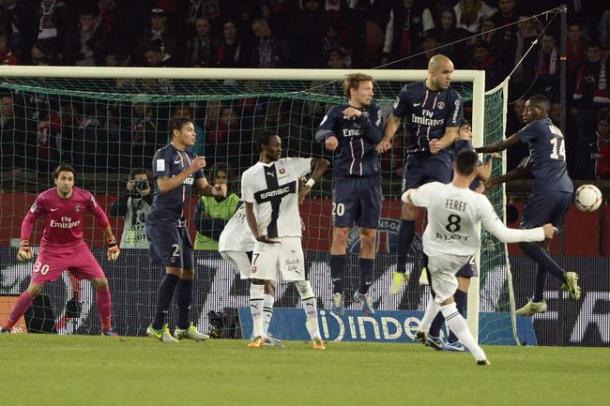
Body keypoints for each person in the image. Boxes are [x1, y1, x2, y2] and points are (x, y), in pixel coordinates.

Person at [404, 149, 557, 365]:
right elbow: (504, 235)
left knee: (446, 300)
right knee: (444, 294)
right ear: (475, 172)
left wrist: (410, 194)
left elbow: (408, 197)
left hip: (435, 255)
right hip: (462, 256)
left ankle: (468, 349)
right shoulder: (479, 201)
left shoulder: (435, 190)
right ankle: (432, 333)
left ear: (453, 166)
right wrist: (541, 232)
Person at [476, 95, 580, 315]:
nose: (524, 113)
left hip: (546, 191)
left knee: (524, 241)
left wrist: (471, 150)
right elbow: (524, 170)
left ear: (543, 111)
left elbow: (502, 145)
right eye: (523, 109)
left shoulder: (537, 126)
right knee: (542, 244)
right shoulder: (554, 131)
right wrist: (495, 181)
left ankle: (563, 275)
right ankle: (538, 299)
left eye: (530, 109)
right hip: (565, 190)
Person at [377, 54, 464, 295]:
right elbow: (395, 118)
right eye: (445, 72)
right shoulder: (410, 92)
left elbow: (452, 132)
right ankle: (400, 270)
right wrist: (387, 138)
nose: (449, 77)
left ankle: (428, 267)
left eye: (451, 73)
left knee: (435, 212)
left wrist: (441, 143)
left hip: (440, 160)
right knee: (408, 210)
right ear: (432, 72)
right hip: (414, 159)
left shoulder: (453, 98)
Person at [0, 165, 120, 335]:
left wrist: (112, 242)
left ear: (74, 182)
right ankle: (7, 328)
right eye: (63, 178)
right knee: (34, 289)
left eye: (70, 179)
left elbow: (101, 215)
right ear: (55, 180)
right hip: (51, 250)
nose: (66, 182)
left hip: (77, 248)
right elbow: (28, 219)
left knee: (102, 283)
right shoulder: (45, 198)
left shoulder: (85, 197)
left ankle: (106, 329)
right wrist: (24, 244)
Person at [241, 132, 329, 349]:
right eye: (275, 145)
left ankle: (316, 335)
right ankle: (258, 334)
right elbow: (249, 209)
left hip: (290, 236)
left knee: (301, 282)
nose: (280, 149)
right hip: (266, 237)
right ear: (263, 146)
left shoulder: (291, 165)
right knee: (258, 281)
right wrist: (256, 234)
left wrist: (308, 184)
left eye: (281, 145)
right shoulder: (249, 175)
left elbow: (323, 163)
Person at [145, 117, 226, 343]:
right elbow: (162, 186)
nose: (194, 133)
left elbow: (203, 187)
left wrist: (216, 191)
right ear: (175, 132)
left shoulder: (191, 157)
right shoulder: (163, 155)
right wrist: (190, 170)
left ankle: (183, 326)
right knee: (174, 270)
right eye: (189, 130)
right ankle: (157, 326)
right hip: (162, 221)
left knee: (188, 272)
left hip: (180, 223)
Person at [314, 73, 384, 316]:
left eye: (371, 89)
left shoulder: (374, 112)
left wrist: (361, 117)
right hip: (345, 181)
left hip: (371, 181)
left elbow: (377, 137)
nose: (371, 93)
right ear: (353, 91)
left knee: (369, 236)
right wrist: (330, 136)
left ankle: (364, 291)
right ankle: (337, 291)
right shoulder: (336, 112)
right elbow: (320, 131)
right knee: (340, 233)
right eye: (366, 89)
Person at [425, 121, 498, 351]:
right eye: (464, 130)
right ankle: (450, 338)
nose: (468, 133)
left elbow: (481, 182)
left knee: (455, 287)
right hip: (456, 233)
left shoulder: (456, 158)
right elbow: (481, 178)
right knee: (459, 287)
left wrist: (487, 165)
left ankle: (436, 334)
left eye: (469, 130)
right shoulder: (458, 153)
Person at [218, 203, 281, 346]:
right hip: (242, 243)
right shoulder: (277, 200)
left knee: (266, 280)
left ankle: (261, 333)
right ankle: (259, 333)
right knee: (266, 281)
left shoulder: (259, 194)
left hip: (227, 242)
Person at [194, 163, 240, 250]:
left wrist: (209, 221)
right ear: (213, 179)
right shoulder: (204, 199)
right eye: (218, 177)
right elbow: (199, 224)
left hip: (225, 251)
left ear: (229, 180)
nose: (220, 181)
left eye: (224, 177)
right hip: (202, 249)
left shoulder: (235, 200)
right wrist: (224, 224)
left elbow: (235, 231)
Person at [110, 168, 153, 249]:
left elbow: (160, 212)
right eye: (137, 181)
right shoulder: (127, 198)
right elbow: (114, 212)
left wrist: (147, 196)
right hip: (128, 246)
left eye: (143, 181)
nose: (140, 183)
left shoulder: (154, 198)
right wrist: (127, 191)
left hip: (149, 246)